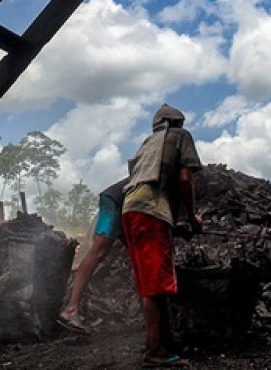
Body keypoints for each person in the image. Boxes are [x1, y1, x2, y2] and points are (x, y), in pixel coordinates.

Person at [122, 104, 202, 369]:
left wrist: (173, 222)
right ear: (177, 122)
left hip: (131, 209)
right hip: (151, 212)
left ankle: (160, 344)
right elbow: (184, 178)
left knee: (149, 283)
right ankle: (155, 351)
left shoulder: (147, 143)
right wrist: (192, 217)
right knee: (156, 285)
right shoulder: (181, 136)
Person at [58, 177, 128, 333]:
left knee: (99, 252)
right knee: (98, 252)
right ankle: (71, 309)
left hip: (117, 201)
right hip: (117, 202)